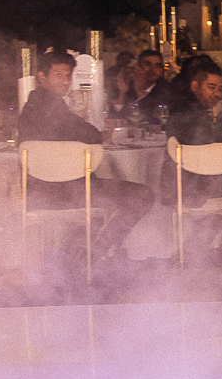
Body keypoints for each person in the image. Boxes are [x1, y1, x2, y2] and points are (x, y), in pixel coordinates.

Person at [16, 50, 154, 259]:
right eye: (58, 75)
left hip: (38, 193)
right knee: (142, 195)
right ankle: (100, 247)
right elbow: (91, 135)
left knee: (99, 191)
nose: (65, 82)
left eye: (68, 76)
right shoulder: (52, 105)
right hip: (66, 193)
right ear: (41, 77)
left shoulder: (30, 107)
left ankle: (80, 252)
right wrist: (104, 134)